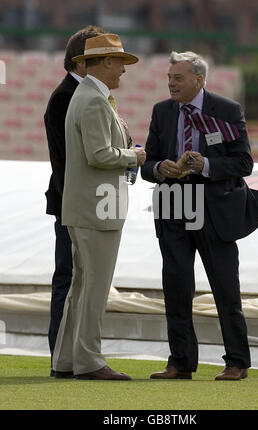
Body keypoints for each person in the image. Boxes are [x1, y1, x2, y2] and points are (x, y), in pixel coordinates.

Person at [141, 51, 258, 381]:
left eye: (178, 78)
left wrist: (207, 165)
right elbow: (146, 164)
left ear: (198, 80)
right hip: (174, 205)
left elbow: (244, 164)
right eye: (169, 77)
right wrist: (159, 167)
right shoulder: (162, 111)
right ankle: (180, 362)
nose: (171, 83)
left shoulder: (227, 110)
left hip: (215, 210)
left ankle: (237, 362)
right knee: (176, 286)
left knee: (225, 288)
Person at [52, 33, 146, 380]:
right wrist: (133, 155)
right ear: (106, 62)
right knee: (94, 288)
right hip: (98, 208)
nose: (124, 69)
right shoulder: (93, 100)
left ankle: (66, 359)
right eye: (120, 62)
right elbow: (100, 155)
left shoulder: (90, 96)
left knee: (81, 286)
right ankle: (89, 360)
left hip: (90, 207)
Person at [44, 25, 105, 374]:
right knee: (69, 280)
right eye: (100, 60)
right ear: (81, 64)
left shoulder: (80, 94)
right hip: (74, 206)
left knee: (76, 281)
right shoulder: (69, 97)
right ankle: (62, 358)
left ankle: (67, 357)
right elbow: (70, 162)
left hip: (80, 203)